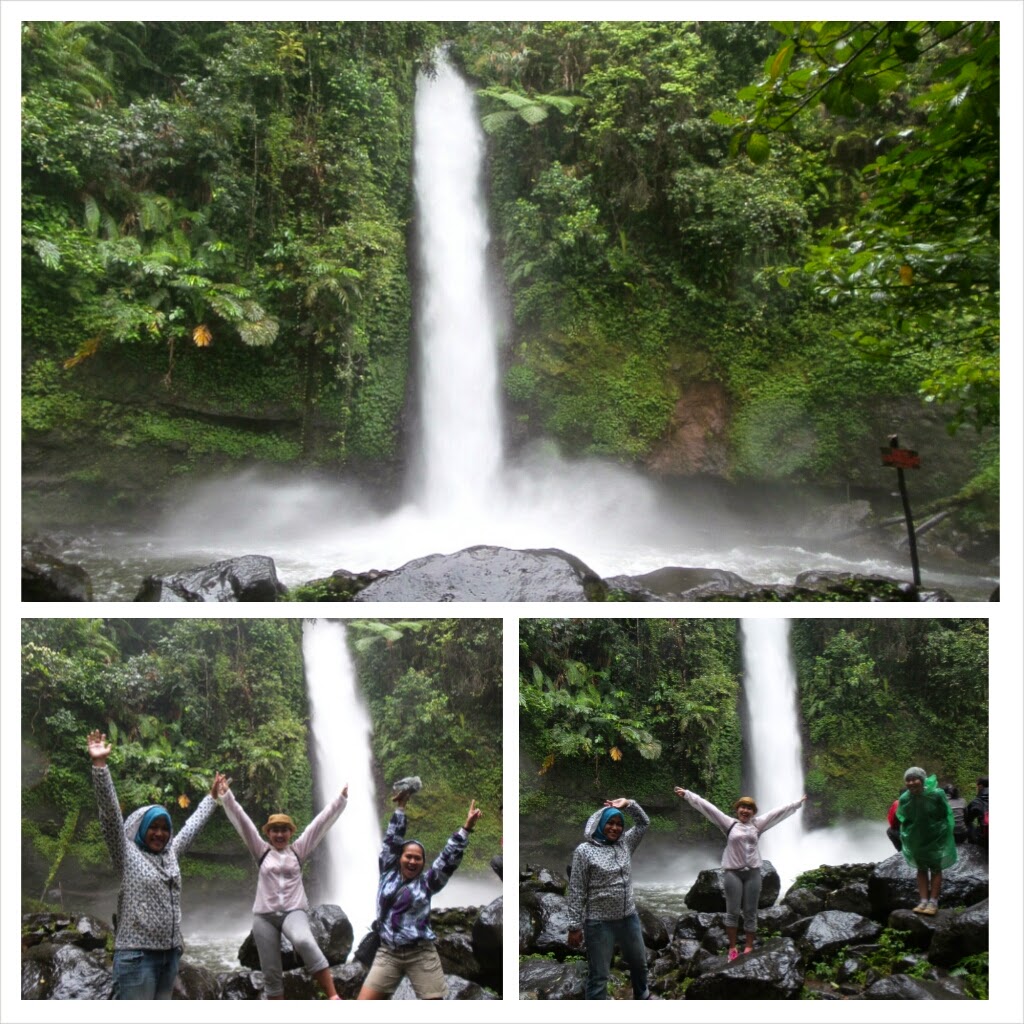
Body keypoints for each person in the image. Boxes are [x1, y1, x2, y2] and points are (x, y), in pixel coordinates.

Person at [87, 729, 223, 999]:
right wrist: (100, 766)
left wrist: (213, 798)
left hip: (170, 956)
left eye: (164, 828)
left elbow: (191, 827)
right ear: (140, 829)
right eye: (153, 827)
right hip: (137, 957)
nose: (160, 833)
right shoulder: (126, 854)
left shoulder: (170, 853)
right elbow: (111, 817)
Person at [218, 776, 347, 1000]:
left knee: (304, 940)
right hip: (264, 916)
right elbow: (243, 822)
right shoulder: (261, 851)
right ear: (268, 833)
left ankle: (333, 996)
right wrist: (227, 796)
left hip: (293, 911)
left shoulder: (298, 851)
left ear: (290, 832)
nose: (279, 834)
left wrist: (340, 801)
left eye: (284, 830)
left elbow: (318, 826)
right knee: (270, 970)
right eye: (275, 830)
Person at [357, 788, 482, 1000]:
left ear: (423, 863)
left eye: (418, 858)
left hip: (421, 953)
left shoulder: (428, 883)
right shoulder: (388, 873)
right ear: (399, 858)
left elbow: (447, 859)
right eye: (408, 856)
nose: (413, 861)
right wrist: (401, 808)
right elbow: (392, 840)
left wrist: (466, 829)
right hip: (388, 952)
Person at [675, 785, 805, 959]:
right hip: (733, 873)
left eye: (749, 808)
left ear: (753, 812)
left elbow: (777, 813)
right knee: (733, 912)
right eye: (742, 807)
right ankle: (732, 948)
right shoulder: (729, 824)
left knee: (751, 911)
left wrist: (797, 803)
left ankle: (749, 947)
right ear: (737, 810)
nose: (745, 810)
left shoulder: (758, 825)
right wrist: (688, 795)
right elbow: (708, 808)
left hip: (753, 873)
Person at [566, 797, 652, 1000]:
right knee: (599, 976)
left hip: (628, 917)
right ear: (600, 824)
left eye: (619, 825)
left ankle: (643, 997)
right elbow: (577, 888)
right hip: (599, 923)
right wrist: (574, 926)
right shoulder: (584, 851)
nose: (615, 828)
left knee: (640, 964)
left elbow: (643, 823)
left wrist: (629, 804)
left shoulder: (625, 844)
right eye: (610, 823)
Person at [897, 767, 957, 915]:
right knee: (921, 869)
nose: (911, 783)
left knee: (936, 868)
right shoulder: (905, 798)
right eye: (908, 780)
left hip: (935, 836)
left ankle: (933, 902)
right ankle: (923, 901)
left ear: (922, 780)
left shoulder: (937, 794)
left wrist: (944, 831)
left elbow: (945, 813)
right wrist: (907, 835)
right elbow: (903, 817)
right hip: (916, 839)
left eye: (914, 779)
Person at [966, 775, 989, 846]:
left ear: (980, 786)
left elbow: (967, 819)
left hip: (986, 838)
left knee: (969, 824)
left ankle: (972, 846)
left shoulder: (976, 802)